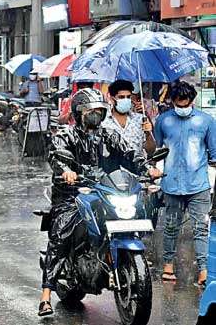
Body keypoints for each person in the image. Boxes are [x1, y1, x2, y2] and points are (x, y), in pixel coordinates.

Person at [38, 88, 161, 316]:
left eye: (100, 111)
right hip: (72, 193)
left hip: (104, 190)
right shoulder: (66, 135)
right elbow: (57, 155)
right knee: (61, 234)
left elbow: (129, 154)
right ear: (79, 112)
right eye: (91, 111)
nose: (96, 115)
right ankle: (46, 293)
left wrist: (147, 168)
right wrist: (66, 170)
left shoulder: (108, 135)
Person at [154, 81, 216, 286]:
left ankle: (203, 270)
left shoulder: (206, 121)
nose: (182, 108)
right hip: (171, 184)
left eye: (186, 104)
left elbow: (214, 154)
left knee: (201, 228)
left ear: (192, 101)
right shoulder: (162, 121)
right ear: (172, 102)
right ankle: (168, 266)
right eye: (178, 105)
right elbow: (154, 150)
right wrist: (147, 131)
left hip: (199, 185)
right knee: (171, 227)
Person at [102, 80, 156, 156]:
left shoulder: (140, 119)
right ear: (112, 98)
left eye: (128, 97)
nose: (125, 100)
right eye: (121, 97)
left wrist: (148, 134)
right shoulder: (103, 122)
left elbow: (151, 151)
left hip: (137, 167)